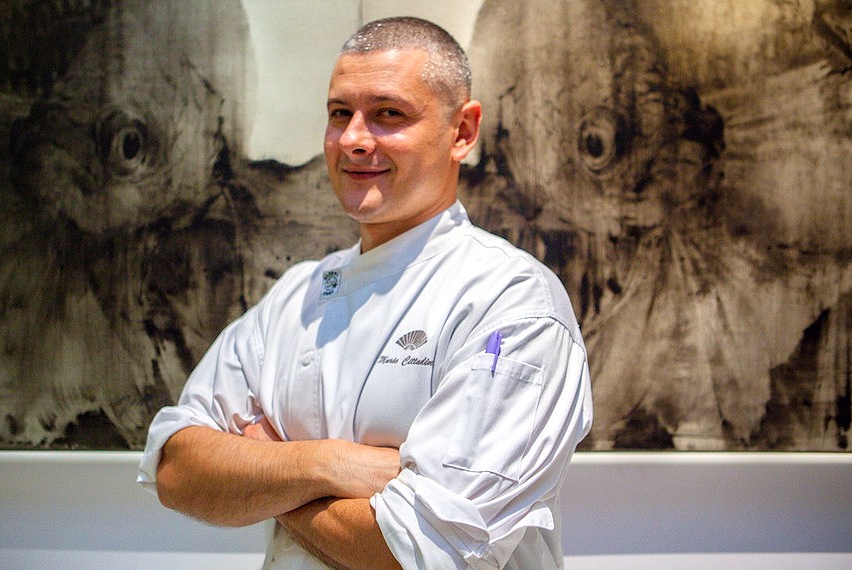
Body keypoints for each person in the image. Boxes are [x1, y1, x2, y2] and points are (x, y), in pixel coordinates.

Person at [138, 16, 593, 569]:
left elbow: (420, 551)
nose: (353, 139)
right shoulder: (297, 295)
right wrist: (324, 465)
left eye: (388, 114)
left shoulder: (511, 303)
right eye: (339, 113)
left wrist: (267, 465)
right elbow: (176, 469)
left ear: (462, 131)